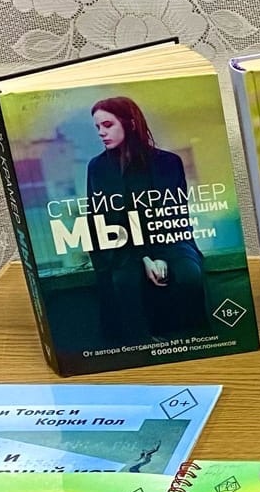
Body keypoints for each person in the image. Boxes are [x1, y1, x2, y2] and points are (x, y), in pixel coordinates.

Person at [87, 95, 208, 344]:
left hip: (170, 240)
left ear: (130, 123)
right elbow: (100, 218)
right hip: (122, 246)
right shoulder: (97, 168)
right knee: (125, 280)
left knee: (188, 275)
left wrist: (160, 255)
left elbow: (173, 212)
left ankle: (192, 341)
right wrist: (143, 256)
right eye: (97, 127)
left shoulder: (168, 162)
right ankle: (141, 345)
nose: (101, 132)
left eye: (107, 125)